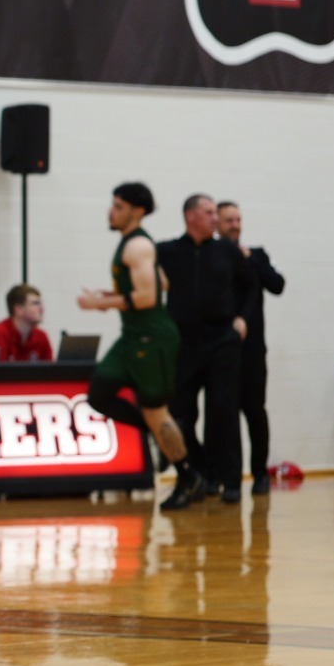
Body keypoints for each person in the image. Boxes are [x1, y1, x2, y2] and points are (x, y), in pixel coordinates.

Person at [77, 184, 205, 513]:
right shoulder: (134, 244)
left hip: (151, 339)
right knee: (98, 394)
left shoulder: (137, 246)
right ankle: (158, 436)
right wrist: (112, 297)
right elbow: (162, 283)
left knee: (155, 411)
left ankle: (188, 477)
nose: (111, 211)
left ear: (137, 211)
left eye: (118, 206)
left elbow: (148, 297)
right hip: (132, 337)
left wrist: (99, 304)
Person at [156, 194, 254, 506]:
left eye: (216, 213)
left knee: (224, 413)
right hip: (183, 343)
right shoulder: (168, 251)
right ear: (191, 216)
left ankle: (231, 480)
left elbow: (250, 286)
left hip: (221, 342)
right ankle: (197, 474)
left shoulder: (227, 251)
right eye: (209, 212)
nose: (215, 218)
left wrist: (242, 317)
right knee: (181, 413)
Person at [216, 201, 285, 494]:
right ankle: (227, 477)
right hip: (222, 350)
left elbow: (278, 285)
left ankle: (260, 474)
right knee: (224, 415)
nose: (235, 225)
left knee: (255, 411)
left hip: (253, 350)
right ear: (217, 224)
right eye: (229, 220)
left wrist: (251, 260)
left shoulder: (256, 254)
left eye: (238, 219)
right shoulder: (213, 257)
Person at [0, 286, 52, 363]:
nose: (42, 309)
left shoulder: (41, 337)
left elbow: (50, 369)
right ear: (19, 309)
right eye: (35, 303)